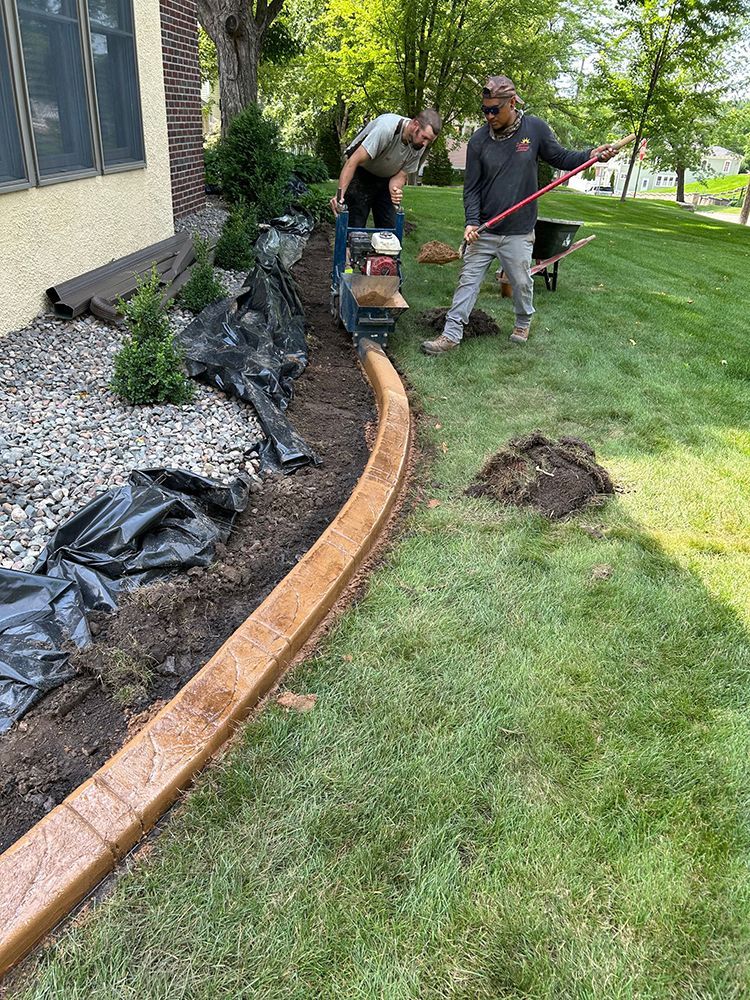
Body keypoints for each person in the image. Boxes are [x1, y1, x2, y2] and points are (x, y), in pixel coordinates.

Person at [421, 76, 617, 354]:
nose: (489, 116)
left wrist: (591, 155)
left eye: (494, 110)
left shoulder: (534, 129)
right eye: (484, 110)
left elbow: (561, 158)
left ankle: (523, 321)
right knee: (468, 280)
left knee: (522, 282)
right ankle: (451, 334)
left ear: (512, 103)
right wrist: (472, 221)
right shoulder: (478, 141)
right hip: (486, 230)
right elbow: (472, 189)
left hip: (518, 229)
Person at [330, 109, 442, 228]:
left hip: (386, 179)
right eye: (424, 137)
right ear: (415, 125)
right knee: (354, 231)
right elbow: (352, 162)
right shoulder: (387, 128)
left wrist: (395, 191)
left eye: (429, 141)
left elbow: (400, 175)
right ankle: (349, 245)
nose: (425, 144)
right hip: (361, 173)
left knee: (389, 231)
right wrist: (339, 196)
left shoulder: (419, 145)